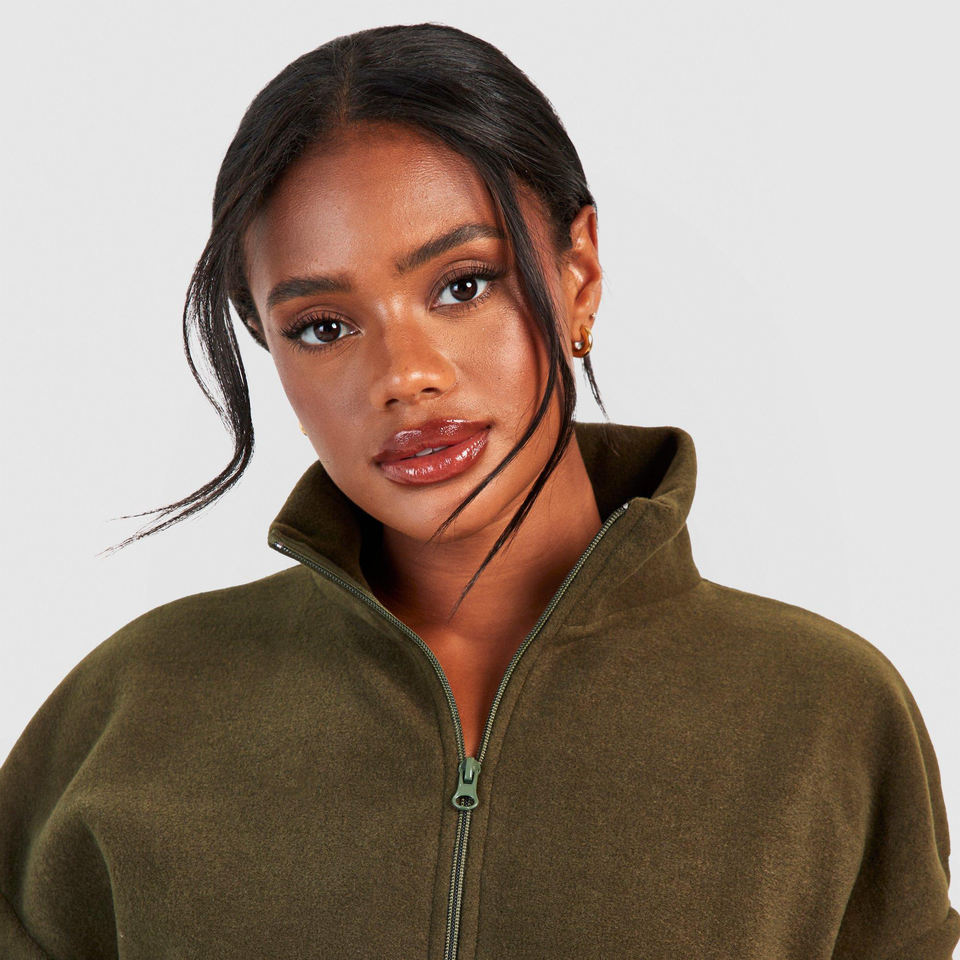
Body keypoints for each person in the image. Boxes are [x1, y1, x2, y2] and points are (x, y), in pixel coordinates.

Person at [0, 22, 956, 960]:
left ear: (579, 273)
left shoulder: (824, 712)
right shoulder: (131, 710)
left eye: (463, 285)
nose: (404, 375)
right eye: (324, 327)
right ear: (269, 348)